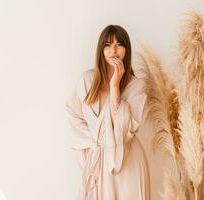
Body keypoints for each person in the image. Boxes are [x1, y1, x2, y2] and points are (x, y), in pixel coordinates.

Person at [66, 24, 151, 200]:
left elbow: (125, 130)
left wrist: (114, 86)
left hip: (127, 162)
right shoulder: (86, 80)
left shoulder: (137, 86)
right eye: (107, 44)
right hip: (97, 161)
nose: (113, 50)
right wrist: (92, 146)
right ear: (101, 50)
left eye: (119, 44)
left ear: (127, 50)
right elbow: (74, 115)